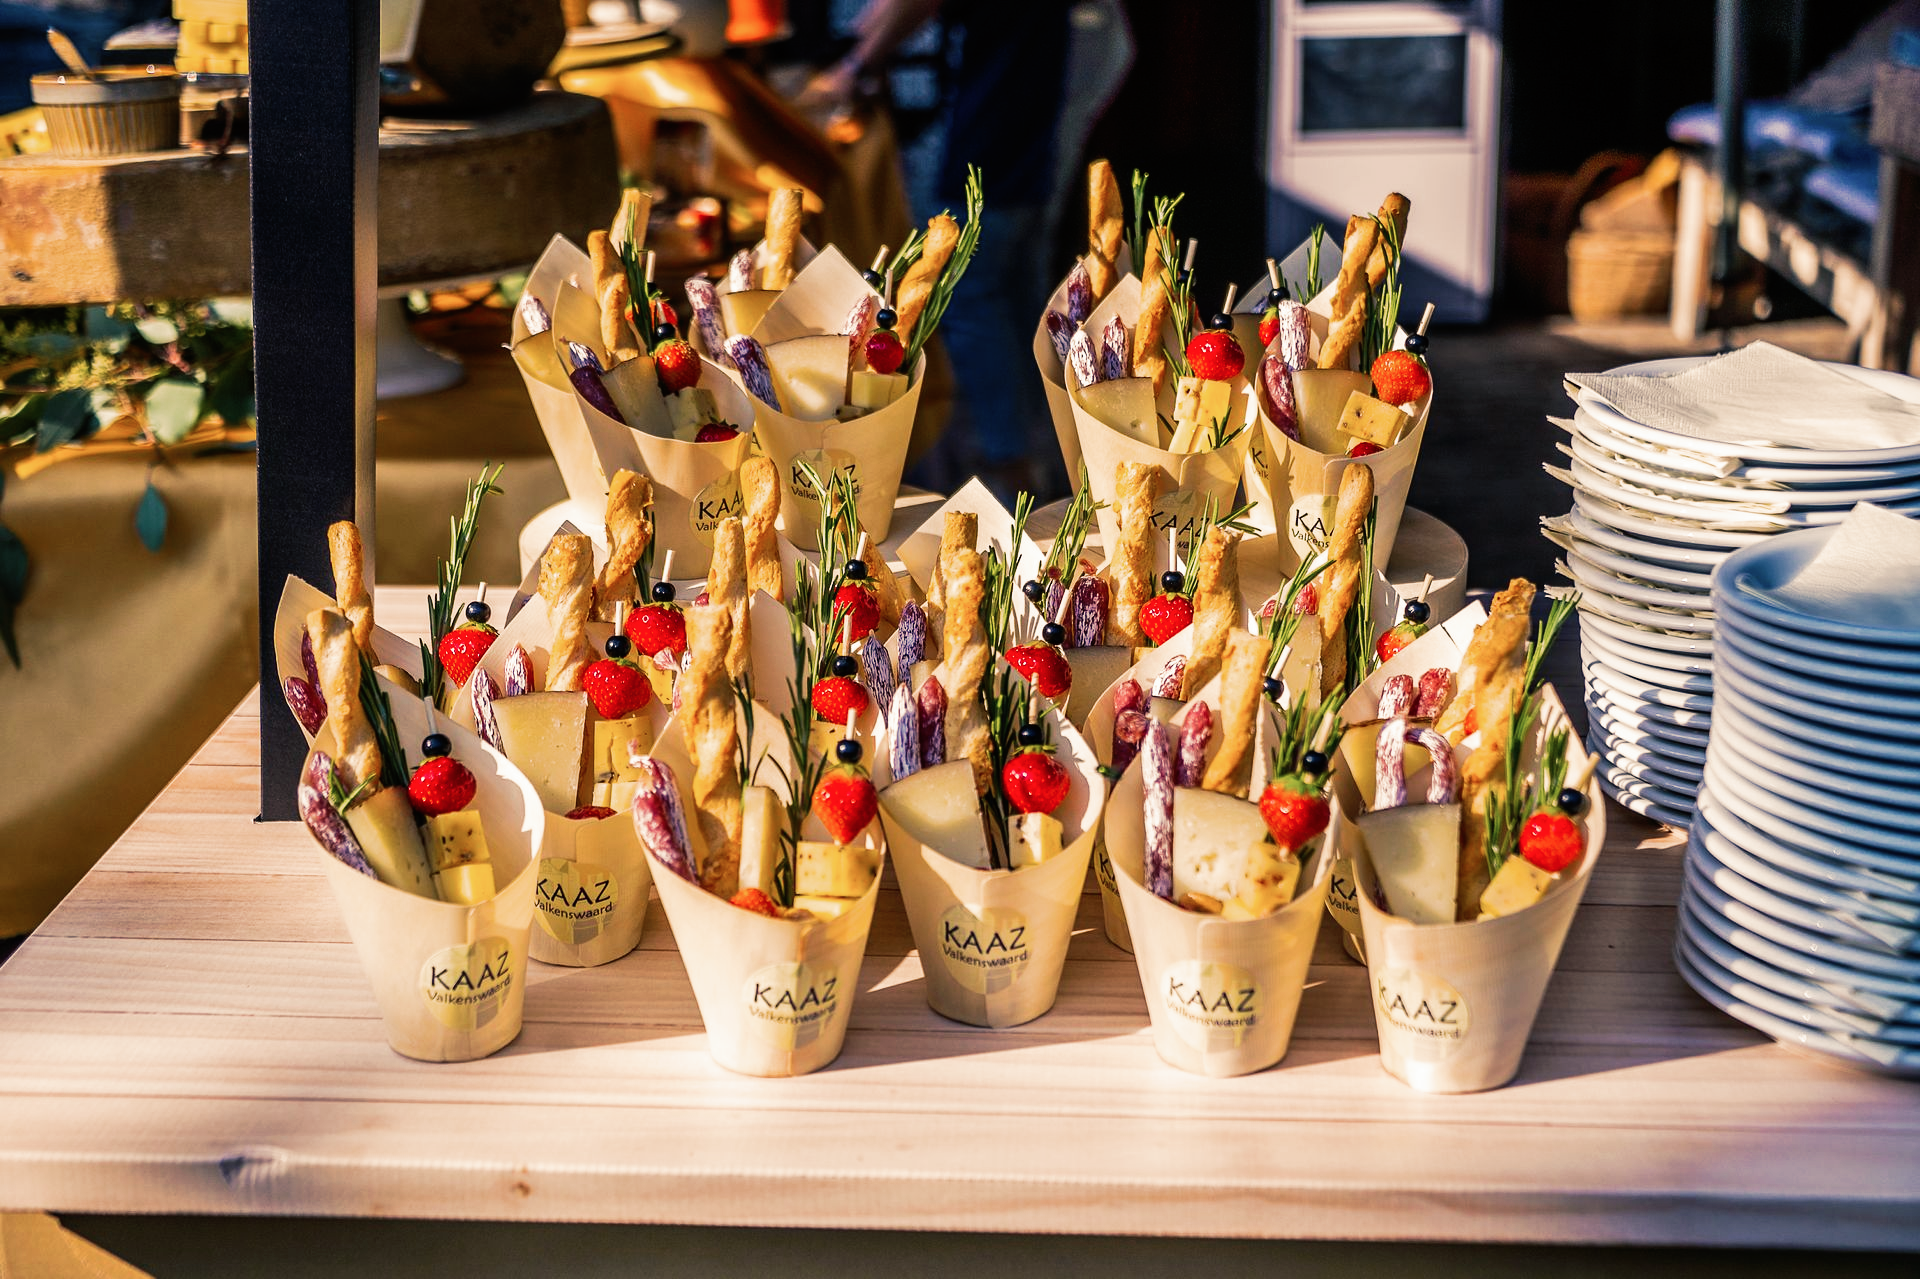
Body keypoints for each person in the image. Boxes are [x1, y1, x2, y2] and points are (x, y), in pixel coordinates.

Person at [805, 0, 1107, 501]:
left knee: (975, 291)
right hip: (1025, 103)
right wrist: (863, 42)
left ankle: (1012, 476)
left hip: (998, 114)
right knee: (1022, 297)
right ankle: (1057, 464)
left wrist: (858, 63)